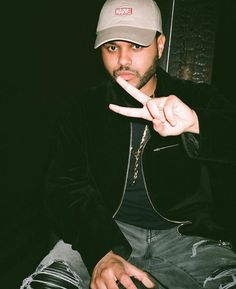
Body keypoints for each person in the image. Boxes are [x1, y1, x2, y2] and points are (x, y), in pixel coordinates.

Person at [21, 0, 236, 288]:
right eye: (112, 47)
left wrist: (196, 122)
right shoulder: (83, 109)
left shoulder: (196, 99)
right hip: (103, 228)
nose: (122, 60)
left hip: (186, 239)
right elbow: (63, 186)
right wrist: (101, 251)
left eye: (136, 46)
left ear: (160, 45)